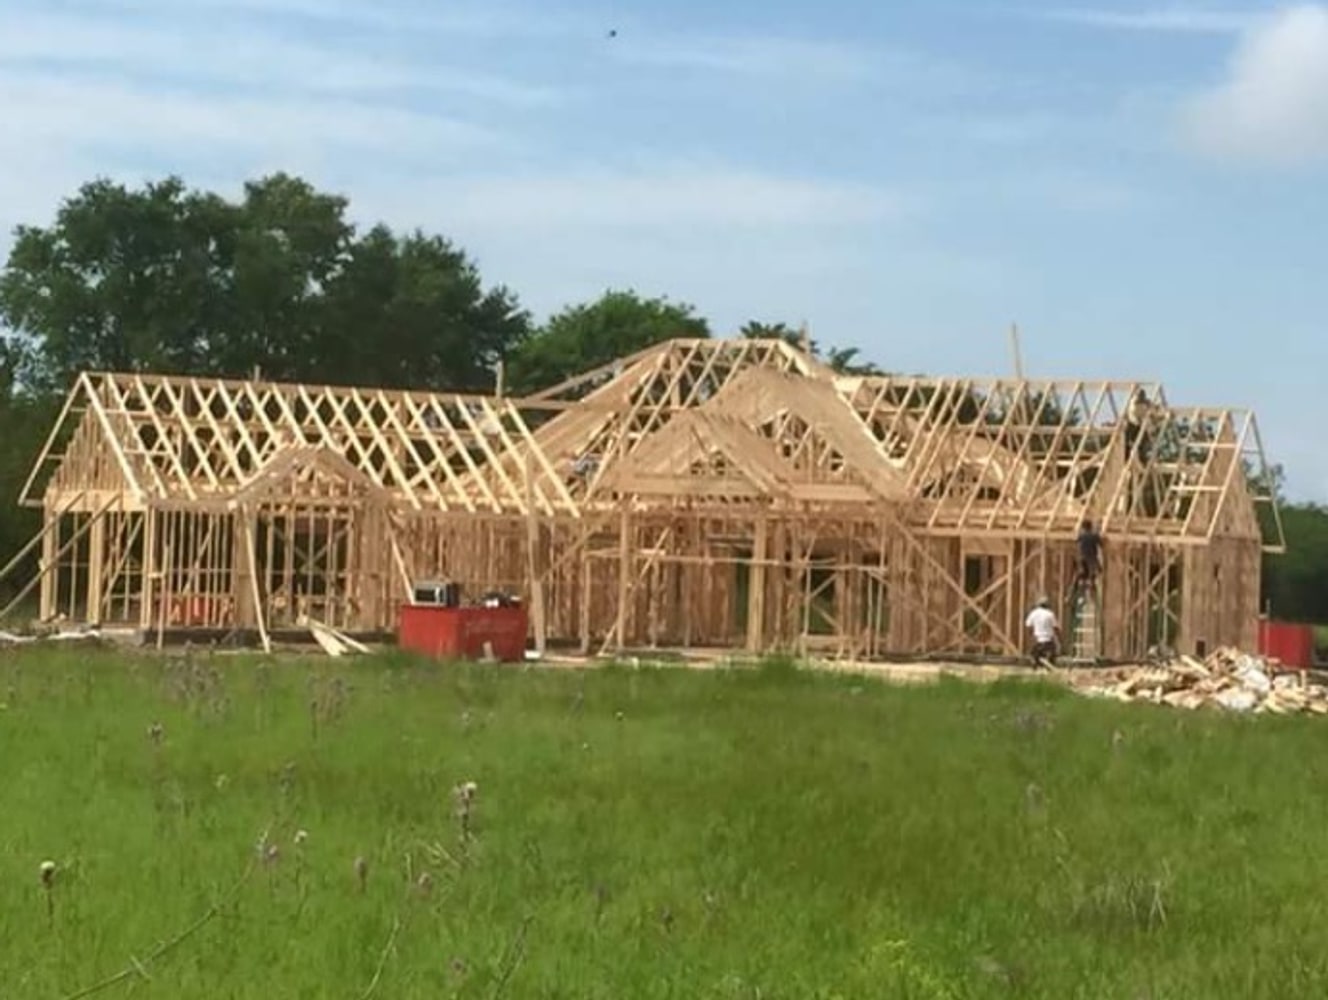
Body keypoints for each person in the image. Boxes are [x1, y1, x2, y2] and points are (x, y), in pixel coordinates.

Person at [1025, 596, 1059, 668]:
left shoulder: (1033, 613)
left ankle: (1035, 664)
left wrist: (1031, 637)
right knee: (1052, 654)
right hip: (1048, 640)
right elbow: (1055, 627)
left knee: (1033, 655)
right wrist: (1059, 639)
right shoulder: (1050, 614)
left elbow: (1028, 626)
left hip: (1037, 640)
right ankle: (1048, 663)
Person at [1077, 519, 1104, 592]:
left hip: (1083, 557)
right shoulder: (1094, 536)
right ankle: (1091, 583)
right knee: (1095, 571)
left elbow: (1077, 541)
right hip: (1091, 557)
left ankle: (1082, 583)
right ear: (1091, 527)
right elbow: (1101, 544)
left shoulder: (1082, 536)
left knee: (1084, 571)